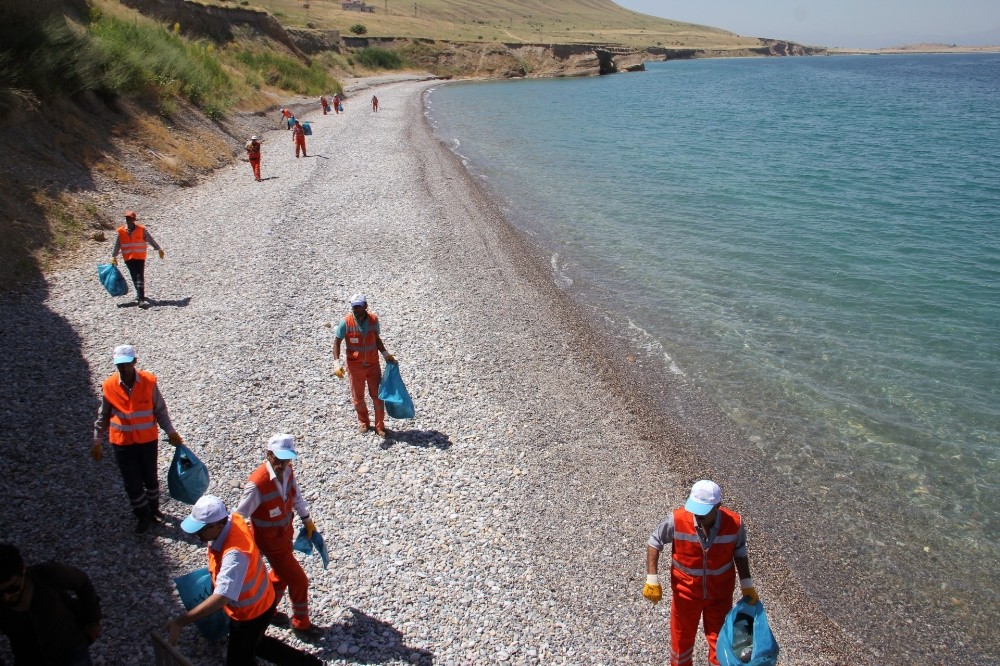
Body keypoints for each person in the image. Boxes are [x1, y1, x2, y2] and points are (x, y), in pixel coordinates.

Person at [165, 496, 322, 666]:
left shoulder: (235, 554)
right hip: (263, 600)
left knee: (239, 660)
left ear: (218, 525)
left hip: (251, 613)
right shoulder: (233, 520)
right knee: (256, 643)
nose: (198, 533)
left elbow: (222, 597)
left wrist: (181, 622)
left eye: (202, 529)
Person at [644, 480, 759, 666]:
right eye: (696, 510)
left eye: (703, 512)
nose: (698, 516)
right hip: (685, 595)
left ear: (718, 507)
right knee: (681, 644)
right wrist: (652, 579)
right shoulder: (678, 519)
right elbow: (654, 541)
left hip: (719, 597)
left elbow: (740, 552)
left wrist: (747, 586)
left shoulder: (734, 524)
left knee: (720, 644)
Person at [235, 434, 322, 639]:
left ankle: (268, 611)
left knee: (280, 576)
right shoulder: (257, 485)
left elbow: (296, 497)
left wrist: (307, 520)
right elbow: (239, 516)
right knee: (300, 581)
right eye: (278, 460)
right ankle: (301, 624)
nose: (283, 465)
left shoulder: (288, 472)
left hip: (284, 536)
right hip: (270, 542)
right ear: (268, 454)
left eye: (287, 460)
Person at [92, 344, 183, 534]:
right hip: (122, 443)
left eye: (126, 364)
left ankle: (153, 509)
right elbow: (104, 415)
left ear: (134, 362)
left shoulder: (148, 382)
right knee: (132, 482)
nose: (123, 369)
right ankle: (142, 515)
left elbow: (160, 410)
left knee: (150, 478)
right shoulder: (109, 386)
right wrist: (97, 441)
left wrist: (170, 432)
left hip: (147, 441)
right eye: (120, 365)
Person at [0, 543, 102, 666]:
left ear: (23, 569)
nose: (6, 597)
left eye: (12, 588)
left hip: (71, 651)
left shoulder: (48, 575)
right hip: (28, 659)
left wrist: (94, 622)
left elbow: (83, 583)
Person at [333, 294, 396, 437]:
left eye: (359, 306)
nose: (356, 309)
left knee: (378, 396)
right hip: (355, 366)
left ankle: (380, 426)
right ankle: (363, 421)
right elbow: (337, 342)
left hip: (373, 364)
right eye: (354, 306)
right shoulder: (346, 322)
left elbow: (376, 339)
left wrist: (385, 354)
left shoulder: (374, 320)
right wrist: (336, 363)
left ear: (365, 306)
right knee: (358, 396)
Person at [110, 210, 164, 307]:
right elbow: (118, 244)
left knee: (139, 276)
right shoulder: (121, 231)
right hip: (128, 257)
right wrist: (114, 256)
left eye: (130, 219)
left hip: (139, 257)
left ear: (134, 220)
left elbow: (150, 239)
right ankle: (139, 295)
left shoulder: (141, 229)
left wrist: (158, 248)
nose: (128, 220)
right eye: (126, 218)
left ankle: (141, 298)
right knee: (134, 276)